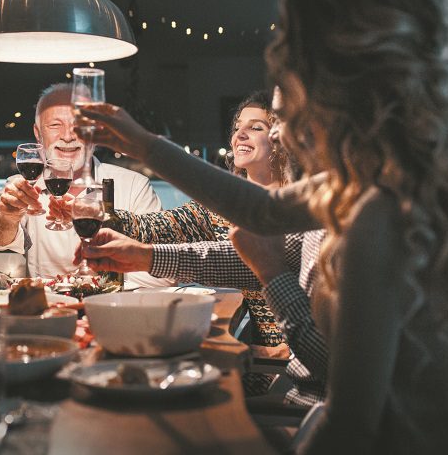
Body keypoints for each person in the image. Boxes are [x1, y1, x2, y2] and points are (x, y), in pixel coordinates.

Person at [78, 0, 448, 453]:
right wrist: (144, 163)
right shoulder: (364, 177)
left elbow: (352, 422)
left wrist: (272, 276)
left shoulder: (379, 211)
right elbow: (259, 216)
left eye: (291, 46)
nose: (280, 59)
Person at [76, 91, 328, 409]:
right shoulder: (317, 201)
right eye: (238, 126)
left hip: (310, 414)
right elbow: (240, 255)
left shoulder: (347, 214)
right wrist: (145, 256)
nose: (276, 133)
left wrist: (272, 272)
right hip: (301, 403)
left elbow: (335, 368)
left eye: (282, 119)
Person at [0, 83, 162, 286]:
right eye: (55, 125)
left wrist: (93, 287)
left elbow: (163, 277)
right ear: (38, 134)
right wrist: (8, 216)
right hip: (49, 311)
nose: (67, 136)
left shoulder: (135, 186)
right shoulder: (22, 186)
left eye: (78, 125)